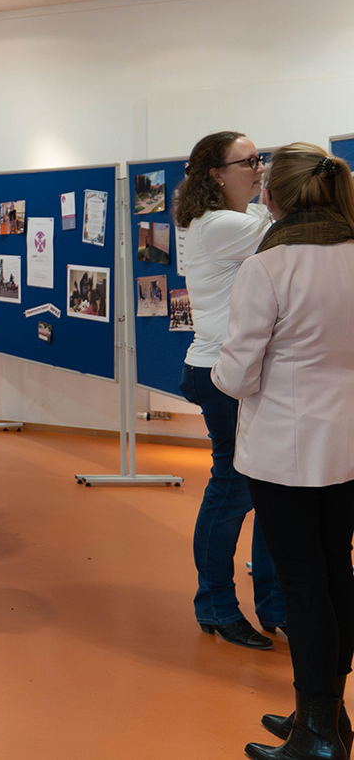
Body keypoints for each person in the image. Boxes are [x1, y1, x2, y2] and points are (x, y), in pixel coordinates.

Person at [214, 142, 354, 759]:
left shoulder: (268, 267)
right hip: (347, 445)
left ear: (276, 197)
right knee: (336, 572)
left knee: (303, 583)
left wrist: (219, 371)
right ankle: (327, 713)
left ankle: (317, 735)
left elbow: (237, 375)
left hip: (286, 449)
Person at [173, 130, 285, 651]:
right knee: (234, 489)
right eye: (249, 162)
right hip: (221, 374)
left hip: (237, 370)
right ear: (217, 175)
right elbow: (291, 232)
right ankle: (216, 604)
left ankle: (275, 606)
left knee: (266, 488)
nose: (259, 169)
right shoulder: (221, 225)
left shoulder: (240, 219)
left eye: (261, 160)